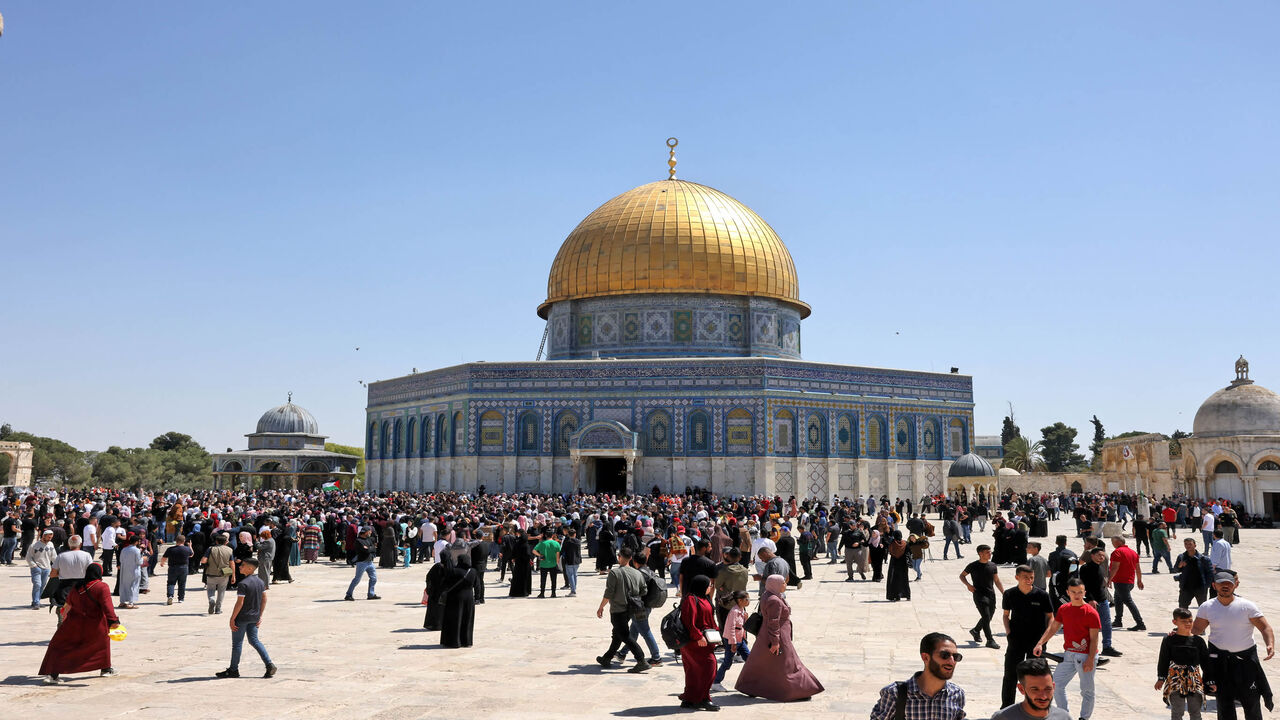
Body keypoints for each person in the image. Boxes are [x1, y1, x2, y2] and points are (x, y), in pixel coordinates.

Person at [1193, 572, 1276, 720]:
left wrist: (1270, 644)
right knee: (1224, 704)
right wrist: (1176, 633)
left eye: (1229, 583)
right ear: (1214, 585)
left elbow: (1265, 628)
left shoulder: (1247, 606)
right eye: (1221, 583)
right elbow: (1196, 630)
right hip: (1220, 663)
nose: (1225, 586)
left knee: (1251, 703)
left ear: (1236, 585)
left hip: (1246, 662)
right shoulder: (1207, 607)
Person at [734, 574, 824, 702]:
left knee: (760, 661)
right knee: (789, 663)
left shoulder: (768, 595)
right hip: (777, 635)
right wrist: (775, 642)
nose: (785, 585)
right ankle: (798, 690)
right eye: (783, 583)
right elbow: (773, 622)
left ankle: (750, 687)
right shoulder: (774, 600)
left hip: (767, 634)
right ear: (775, 584)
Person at [38, 563, 121, 684]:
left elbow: (67, 605)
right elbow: (107, 606)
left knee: (60, 646)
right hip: (95, 624)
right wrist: (114, 621)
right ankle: (106, 669)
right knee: (101, 646)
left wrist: (63, 619)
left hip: (73, 624)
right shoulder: (102, 587)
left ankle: (53, 674)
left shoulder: (77, 587)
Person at [1033, 578, 1100, 720]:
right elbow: (1053, 628)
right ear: (1068, 592)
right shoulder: (1064, 609)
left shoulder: (1091, 613)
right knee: (1055, 685)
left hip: (1086, 655)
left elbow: (1094, 639)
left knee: (1087, 690)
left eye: (1080, 592)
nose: (1077, 595)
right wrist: (1040, 643)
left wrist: (1090, 659)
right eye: (1074, 592)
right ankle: (1064, 715)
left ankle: (1084, 718)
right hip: (1069, 654)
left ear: (1084, 592)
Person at [869, 632, 966, 719]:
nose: (951, 661)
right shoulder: (895, 694)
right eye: (945, 655)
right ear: (926, 657)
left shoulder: (957, 694)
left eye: (956, 657)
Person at [1001, 564, 1054, 708]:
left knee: (1036, 676)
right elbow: (1006, 615)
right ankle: (1006, 707)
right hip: (1016, 640)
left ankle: (1036, 705)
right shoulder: (1009, 594)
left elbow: (1051, 617)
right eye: (1025, 577)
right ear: (1017, 577)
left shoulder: (1042, 595)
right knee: (1010, 675)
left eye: (1031, 577)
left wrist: (1042, 641)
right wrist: (1008, 632)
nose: (1029, 580)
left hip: (1036, 641)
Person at [216, 557, 276, 679]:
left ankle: (233, 670)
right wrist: (260, 615)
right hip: (254, 617)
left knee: (237, 644)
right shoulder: (260, 582)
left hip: (242, 617)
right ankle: (269, 664)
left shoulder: (243, 584)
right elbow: (264, 599)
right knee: (254, 640)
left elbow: (240, 603)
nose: (240, 567)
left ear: (249, 568)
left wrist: (232, 618)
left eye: (242, 565)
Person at [595, 546, 650, 674]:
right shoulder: (637, 573)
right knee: (617, 634)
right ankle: (607, 658)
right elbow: (644, 590)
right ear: (631, 558)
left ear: (619, 557)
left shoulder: (614, 573)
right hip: (630, 609)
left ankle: (641, 660)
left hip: (617, 609)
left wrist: (601, 606)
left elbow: (609, 592)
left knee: (624, 635)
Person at [1156, 607, 1209, 720]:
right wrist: (1161, 678)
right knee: (1177, 712)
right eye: (1184, 621)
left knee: (1195, 712)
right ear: (1175, 622)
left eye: (1190, 621)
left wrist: (1210, 681)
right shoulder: (1169, 640)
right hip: (1175, 680)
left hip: (1194, 680)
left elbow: (1206, 663)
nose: (1188, 624)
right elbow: (1163, 660)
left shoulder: (1198, 641)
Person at [677, 574, 720, 710]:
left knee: (695, 671)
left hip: (705, 640)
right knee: (709, 667)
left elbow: (710, 619)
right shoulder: (691, 599)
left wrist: (716, 635)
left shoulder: (704, 598)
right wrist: (698, 636)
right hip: (695, 642)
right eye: (709, 585)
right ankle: (702, 698)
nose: (710, 587)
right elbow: (689, 621)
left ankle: (690, 699)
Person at [992, 657, 1072, 720]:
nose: (1043, 696)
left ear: (1053, 687)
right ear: (1021, 689)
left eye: (1048, 689)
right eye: (1035, 689)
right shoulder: (1003, 718)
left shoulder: (1064, 717)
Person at [1080, 545, 1121, 658]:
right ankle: (1088, 649)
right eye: (1099, 555)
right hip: (1091, 602)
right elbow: (1084, 585)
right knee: (1091, 626)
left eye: (1103, 555)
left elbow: (1101, 583)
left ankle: (1107, 647)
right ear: (1092, 555)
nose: (1101, 557)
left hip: (1103, 600)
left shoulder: (1101, 567)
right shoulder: (1085, 568)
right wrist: (1090, 599)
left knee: (1107, 624)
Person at [960, 544, 1004, 649]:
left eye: (990, 552)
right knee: (986, 616)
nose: (990, 554)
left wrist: (1003, 592)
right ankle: (990, 640)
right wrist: (968, 585)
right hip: (979, 594)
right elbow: (962, 575)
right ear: (980, 553)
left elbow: (997, 580)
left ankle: (975, 630)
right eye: (987, 552)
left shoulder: (993, 565)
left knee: (989, 617)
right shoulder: (973, 565)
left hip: (991, 594)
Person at [712, 590, 750, 692]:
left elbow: (742, 626)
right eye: (747, 599)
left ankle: (751, 681)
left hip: (740, 640)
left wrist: (746, 619)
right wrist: (733, 643)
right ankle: (716, 682)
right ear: (740, 600)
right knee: (727, 662)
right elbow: (731, 628)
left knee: (749, 658)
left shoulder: (742, 610)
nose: (749, 601)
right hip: (731, 640)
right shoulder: (734, 612)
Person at [439, 554, 479, 648]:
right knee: (467, 619)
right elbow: (477, 586)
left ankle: (454, 641)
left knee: (455, 619)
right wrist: (477, 597)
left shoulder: (454, 571)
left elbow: (446, 584)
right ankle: (466, 641)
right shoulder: (473, 571)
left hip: (455, 597)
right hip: (469, 598)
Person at [1109, 535, 1146, 631]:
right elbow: (1138, 568)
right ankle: (1118, 621)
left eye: (1113, 542)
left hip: (1121, 581)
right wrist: (1139, 580)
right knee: (1117, 599)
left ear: (1118, 542)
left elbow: (1115, 567)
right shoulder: (1133, 552)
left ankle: (1140, 623)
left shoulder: (1117, 552)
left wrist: (1109, 579)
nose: (1112, 544)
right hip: (1130, 581)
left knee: (1128, 601)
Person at [1175, 538, 1214, 610]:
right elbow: (1175, 569)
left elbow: (1210, 573)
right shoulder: (1181, 557)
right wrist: (1179, 566)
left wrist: (1206, 586)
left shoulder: (1204, 559)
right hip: (1186, 587)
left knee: (1203, 608)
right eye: (1186, 544)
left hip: (1200, 587)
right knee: (1182, 608)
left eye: (1190, 544)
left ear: (1195, 545)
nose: (1188, 546)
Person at [344, 526, 380, 601]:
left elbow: (373, 548)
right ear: (365, 532)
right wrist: (370, 548)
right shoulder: (358, 541)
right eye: (369, 531)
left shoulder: (368, 539)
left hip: (370, 562)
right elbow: (366, 550)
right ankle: (348, 595)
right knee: (357, 579)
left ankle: (371, 594)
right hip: (362, 562)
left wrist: (370, 548)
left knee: (374, 578)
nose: (370, 533)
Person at [202, 532, 234, 615]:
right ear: (225, 542)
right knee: (222, 591)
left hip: (211, 572)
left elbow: (203, 561)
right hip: (225, 573)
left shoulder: (210, 549)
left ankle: (211, 599)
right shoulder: (230, 550)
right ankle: (218, 609)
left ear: (216, 541)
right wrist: (233, 575)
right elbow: (232, 563)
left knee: (210, 589)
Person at [26, 529, 57, 610]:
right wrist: (34, 566)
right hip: (36, 568)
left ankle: (36, 601)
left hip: (46, 568)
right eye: (48, 537)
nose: (50, 539)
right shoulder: (34, 545)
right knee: (37, 584)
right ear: (44, 536)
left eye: (51, 537)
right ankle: (36, 602)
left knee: (42, 586)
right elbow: (28, 557)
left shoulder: (51, 545)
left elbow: (54, 557)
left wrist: (57, 566)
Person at [159, 534, 194, 605]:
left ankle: (170, 596)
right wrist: (190, 546)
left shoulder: (170, 549)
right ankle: (181, 598)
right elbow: (191, 554)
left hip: (172, 568)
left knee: (171, 583)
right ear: (183, 541)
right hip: (183, 568)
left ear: (176, 541)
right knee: (182, 583)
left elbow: (164, 557)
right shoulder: (187, 549)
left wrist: (162, 563)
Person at [116, 534, 144, 610]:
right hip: (134, 570)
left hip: (124, 570)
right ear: (136, 542)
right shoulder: (137, 550)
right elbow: (139, 562)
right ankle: (131, 602)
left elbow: (121, 560)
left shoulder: (124, 549)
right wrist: (143, 558)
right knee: (133, 586)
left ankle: (122, 602)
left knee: (124, 585)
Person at [533, 528, 561, 598]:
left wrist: (540, 555)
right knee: (553, 579)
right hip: (553, 563)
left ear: (545, 535)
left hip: (544, 564)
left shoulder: (542, 543)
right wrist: (557, 561)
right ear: (552, 535)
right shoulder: (556, 543)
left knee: (543, 579)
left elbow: (534, 551)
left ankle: (542, 593)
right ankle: (553, 593)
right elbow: (558, 554)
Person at [885, 530, 911, 602]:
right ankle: (907, 595)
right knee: (904, 579)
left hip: (894, 563)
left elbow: (889, 550)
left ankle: (896, 596)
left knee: (894, 580)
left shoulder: (892, 543)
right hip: (903, 564)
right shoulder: (905, 543)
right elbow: (909, 552)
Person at [561, 526, 582, 597]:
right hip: (577, 560)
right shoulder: (578, 541)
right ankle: (574, 589)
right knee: (575, 575)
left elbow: (562, 551)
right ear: (575, 534)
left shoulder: (567, 542)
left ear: (568, 534)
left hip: (569, 560)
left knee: (570, 575)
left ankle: (573, 591)